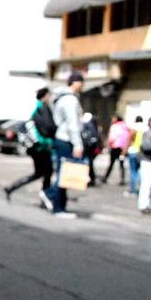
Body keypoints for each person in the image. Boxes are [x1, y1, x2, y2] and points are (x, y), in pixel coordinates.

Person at [44, 71, 86, 219]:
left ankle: (57, 203)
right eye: (81, 82)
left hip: (62, 139)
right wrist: (78, 145)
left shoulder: (63, 98)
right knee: (65, 174)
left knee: (64, 173)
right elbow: (73, 124)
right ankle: (55, 203)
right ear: (76, 83)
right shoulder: (70, 100)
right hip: (66, 140)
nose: (82, 85)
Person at [4, 87, 53, 203]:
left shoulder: (37, 108)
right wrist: (50, 140)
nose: (50, 98)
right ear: (45, 96)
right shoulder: (41, 109)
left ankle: (12, 188)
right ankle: (45, 196)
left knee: (44, 172)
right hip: (40, 147)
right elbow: (47, 128)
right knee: (45, 172)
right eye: (49, 95)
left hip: (37, 147)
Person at [102, 114, 130, 185]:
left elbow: (112, 137)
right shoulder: (125, 127)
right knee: (121, 164)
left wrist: (108, 145)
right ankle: (122, 179)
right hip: (122, 148)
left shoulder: (115, 126)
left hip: (115, 147)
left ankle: (106, 177)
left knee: (111, 163)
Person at [126, 115, 145, 196]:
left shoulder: (133, 127)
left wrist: (125, 150)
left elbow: (130, 139)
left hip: (133, 151)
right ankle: (142, 186)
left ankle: (133, 190)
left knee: (133, 171)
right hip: (141, 152)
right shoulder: (145, 128)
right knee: (139, 170)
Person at [81, 112, 102, 187]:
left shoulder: (87, 125)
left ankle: (89, 179)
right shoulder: (93, 125)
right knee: (89, 164)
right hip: (91, 148)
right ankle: (91, 178)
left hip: (87, 148)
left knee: (87, 163)